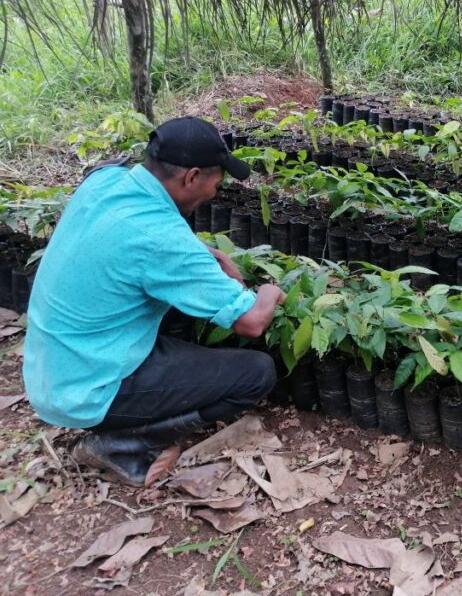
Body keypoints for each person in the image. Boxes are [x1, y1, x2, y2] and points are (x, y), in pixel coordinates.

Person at [22, 116, 285, 486]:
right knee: (256, 374)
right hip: (88, 389)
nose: (215, 192)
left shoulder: (105, 181)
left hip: (52, 369)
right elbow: (252, 322)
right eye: (216, 182)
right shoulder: (161, 239)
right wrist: (269, 291)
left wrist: (204, 253)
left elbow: (130, 238)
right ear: (192, 177)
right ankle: (120, 443)